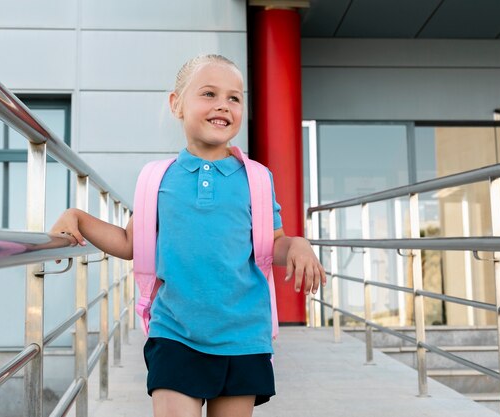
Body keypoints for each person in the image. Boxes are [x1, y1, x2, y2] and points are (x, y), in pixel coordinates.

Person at [50, 54, 326, 417]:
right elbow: (131, 244)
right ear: (176, 103)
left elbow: (271, 244)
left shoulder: (257, 178)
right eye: (209, 94)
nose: (223, 106)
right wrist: (78, 218)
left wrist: (299, 244)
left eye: (234, 98)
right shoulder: (157, 179)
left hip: (243, 337)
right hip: (175, 332)